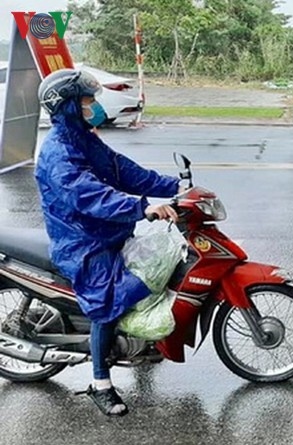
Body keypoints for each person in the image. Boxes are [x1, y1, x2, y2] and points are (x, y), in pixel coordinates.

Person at [34, 68, 182, 417]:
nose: (94, 106)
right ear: (69, 106)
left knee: (157, 267)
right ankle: (101, 384)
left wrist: (172, 187)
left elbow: (121, 169)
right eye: (87, 101)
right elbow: (90, 196)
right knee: (106, 304)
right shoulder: (59, 152)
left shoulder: (83, 138)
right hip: (82, 243)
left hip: (106, 232)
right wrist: (142, 207)